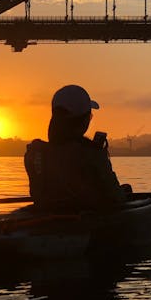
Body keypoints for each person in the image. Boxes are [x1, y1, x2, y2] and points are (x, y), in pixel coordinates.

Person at [24, 85, 129, 213]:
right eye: (90, 116)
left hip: (43, 217)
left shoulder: (35, 153)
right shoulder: (92, 153)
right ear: (84, 121)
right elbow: (115, 197)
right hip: (83, 223)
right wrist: (124, 192)